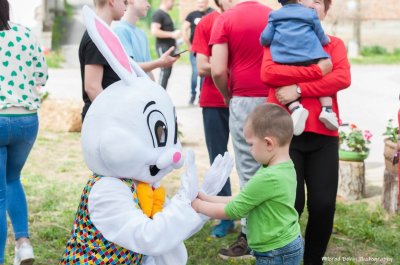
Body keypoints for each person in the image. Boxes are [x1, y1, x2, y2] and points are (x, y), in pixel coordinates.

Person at [260, 0, 351, 264]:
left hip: (323, 134)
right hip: (282, 136)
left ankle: (313, 260)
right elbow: (268, 73)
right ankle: (283, 257)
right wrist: (318, 71)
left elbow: (342, 78)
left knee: (323, 205)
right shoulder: (276, 36)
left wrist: (298, 89)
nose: (310, 3)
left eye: (317, 0)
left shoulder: (334, 44)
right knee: (291, 204)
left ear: (326, 8)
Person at [192, 103, 303, 265]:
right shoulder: (285, 167)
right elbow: (244, 199)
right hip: (287, 244)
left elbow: (233, 210)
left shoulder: (268, 177)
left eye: (250, 144)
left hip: (275, 253)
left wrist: (197, 206)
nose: (249, 150)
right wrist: (206, 198)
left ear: (268, 143)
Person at [209, 0, 272, 258]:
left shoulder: (225, 19)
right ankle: (278, 233)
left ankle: (250, 238)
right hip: (275, 97)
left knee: (248, 171)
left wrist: (227, 96)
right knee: (276, 168)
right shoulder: (273, 15)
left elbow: (217, 71)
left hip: (244, 98)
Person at [0, 0, 48, 264]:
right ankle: (23, 243)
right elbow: (42, 75)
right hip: (26, 121)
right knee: (11, 178)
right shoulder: (25, 33)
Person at [259, 0, 337, 136]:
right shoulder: (309, 14)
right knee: (324, 72)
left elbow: (265, 37)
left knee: (283, 79)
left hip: (284, 58)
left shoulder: (274, 15)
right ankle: (327, 109)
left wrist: (265, 41)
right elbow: (319, 32)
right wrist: (324, 42)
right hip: (310, 56)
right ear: (299, 1)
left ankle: (295, 108)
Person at [190, 0, 234, 238]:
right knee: (218, 158)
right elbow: (201, 66)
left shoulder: (246, 18)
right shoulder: (207, 22)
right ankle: (224, 217)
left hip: (244, 98)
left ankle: (254, 212)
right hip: (213, 100)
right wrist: (235, 70)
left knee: (256, 158)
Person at [79, 0, 127, 122]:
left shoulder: (102, 34)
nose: (126, 6)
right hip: (101, 119)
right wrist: (114, 117)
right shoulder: (96, 38)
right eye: (124, 1)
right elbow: (92, 87)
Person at [113, 0, 179, 81]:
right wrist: (159, 63)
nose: (148, 5)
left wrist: (154, 90)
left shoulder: (142, 34)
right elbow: (129, 68)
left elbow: (148, 71)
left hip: (144, 91)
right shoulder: (120, 30)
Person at [182, 0, 212, 105]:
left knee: (205, 74)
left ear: (207, 3)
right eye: (199, 2)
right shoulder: (192, 15)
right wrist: (189, 45)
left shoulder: (211, 13)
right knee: (195, 72)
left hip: (208, 50)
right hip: (195, 49)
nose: (200, 4)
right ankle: (192, 95)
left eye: (202, 2)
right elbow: (184, 30)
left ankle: (201, 96)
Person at [151, 0, 181, 89]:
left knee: (167, 72)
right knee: (164, 71)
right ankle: (159, 94)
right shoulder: (158, 14)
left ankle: (162, 93)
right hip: (162, 47)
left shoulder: (166, 14)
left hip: (169, 47)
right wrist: (172, 34)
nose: (173, 3)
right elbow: (154, 31)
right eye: (172, 1)